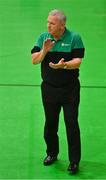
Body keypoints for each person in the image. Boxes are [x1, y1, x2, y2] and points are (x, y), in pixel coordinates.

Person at [31, 9, 85, 174]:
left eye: (52, 23)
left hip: (70, 90)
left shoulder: (74, 37)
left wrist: (64, 65)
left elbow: (78, 61)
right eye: (47, 22)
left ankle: (74, 161)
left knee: (71, 124)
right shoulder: (43, 38)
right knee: (50, 124)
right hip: (49, 89)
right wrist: (45, 50)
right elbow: (34, 60)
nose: (48, 25)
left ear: (62, 25)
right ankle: (51, 153)